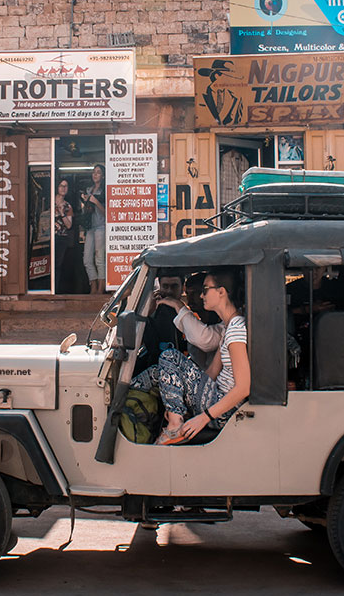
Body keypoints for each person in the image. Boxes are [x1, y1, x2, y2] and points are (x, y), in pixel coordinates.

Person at [131, 268, 250, 446]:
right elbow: (211, 372)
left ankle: (174, 425)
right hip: (213, 395)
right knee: (159, 371)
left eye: (205, 290)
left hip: (223, 411)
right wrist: (175, 392)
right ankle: (128, 393)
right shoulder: (228, 327)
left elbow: (243, 389)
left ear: (221, 292)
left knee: (169, 356)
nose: (201, 296)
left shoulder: (236, 330)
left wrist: (202, 418)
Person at [81, 164, 106, 294]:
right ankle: (93, 285)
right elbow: (85, 212)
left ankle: (100, 289)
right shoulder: (89, 189)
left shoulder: (105, 190)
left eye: (98, 172)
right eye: (93, 172)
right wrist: (85, 202)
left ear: (103, 176)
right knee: (86, 259)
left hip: (101, 226)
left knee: (99, 258)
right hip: (90, 227)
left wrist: (96, 202)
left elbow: (107, 214)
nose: (95, 174)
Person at [54, 178, 74, 293]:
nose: (63, 188)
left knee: (58, 265)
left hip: (61, 238)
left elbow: (69, 225)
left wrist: (62, 213)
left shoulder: (68, 206)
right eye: (61, 185)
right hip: (47, 238)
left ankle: (55, 290)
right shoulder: (49, 202)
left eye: (66, 186)